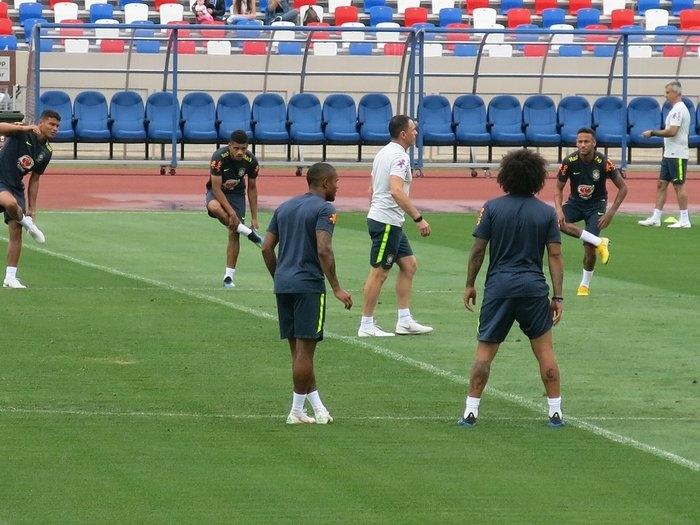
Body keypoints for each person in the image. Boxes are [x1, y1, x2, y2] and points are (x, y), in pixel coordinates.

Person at [459, 149, 565, 429]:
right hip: (533, 287)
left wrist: (470, 284)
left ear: (505, 176)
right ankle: (555, 412)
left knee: (484, 353)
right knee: (544, 352)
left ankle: (471, 411)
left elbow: (478, 249)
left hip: (499, 288)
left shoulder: (492, 208)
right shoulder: (546, 213)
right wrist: (558, 295)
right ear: (537, 178)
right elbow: (555, 255)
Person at [261, 162, 353, 425]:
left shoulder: (285, 207)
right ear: (324, 183)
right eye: (336, 181)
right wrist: (336, 287)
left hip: (284, 285)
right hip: (308, 286)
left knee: (298, 353)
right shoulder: (325, 209)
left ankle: (316, 409)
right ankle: (295, 411)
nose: (338, 186)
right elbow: (324, 249)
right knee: (306, 353)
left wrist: (279, 276)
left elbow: (266, 248)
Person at [357, 115, 433, 337]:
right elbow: (396, 190)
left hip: (389, 221)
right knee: (379, 273)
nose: (416, 133)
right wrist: (419, 218)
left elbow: (371, 189)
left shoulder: (383, 153)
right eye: (413, 129)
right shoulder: (400, 157)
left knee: (409, 265)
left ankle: (405, 320)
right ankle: (366, 324)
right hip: (386, 222)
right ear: (403, 134)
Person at [554, 127, 628, 296]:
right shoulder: (569, 162)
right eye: (579, 142)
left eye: (586, 141)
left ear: (594, 143)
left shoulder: (604, 163)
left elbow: (623, 188)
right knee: (555, 221)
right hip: (575, 203)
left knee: (588, 247)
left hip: (597, 206)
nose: (582, 145)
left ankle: (584, 285)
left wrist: (610, 213)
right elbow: (558, 188)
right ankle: (599, 241)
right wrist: (558, 209)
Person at [0, 110, 60, 289]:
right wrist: (24, 126)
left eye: (57, 126)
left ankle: (10, 277)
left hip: (15, 186)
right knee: (10, 204)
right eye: (51, 124)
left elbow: (35, 179)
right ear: (40, 123)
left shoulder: (47, 151)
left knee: (15, 232)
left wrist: (33, 208)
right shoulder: (23, 132)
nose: (55, 128)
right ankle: (26, 222)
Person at [205, 129, 263, 288]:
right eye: (236, 148)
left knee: (233, 233)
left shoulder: (251, 162)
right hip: (218, 192)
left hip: (237, 193)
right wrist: (231, 213)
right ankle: (250, 234)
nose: (240, 152)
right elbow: (216, 189)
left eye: (243, 149)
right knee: (215, 207)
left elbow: (252, 188)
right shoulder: (218, 158)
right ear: (229, 145)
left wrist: (255, 217)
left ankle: (228, 277)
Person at [639, 81, 692, 229]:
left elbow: (672, 131)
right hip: (669, 153)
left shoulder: (679, 110)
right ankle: (656, 217)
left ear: (677, 93)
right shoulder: (674, 109)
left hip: (678, 154)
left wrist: (653, 132)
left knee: (678, 185)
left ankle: (684, 218)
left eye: (668, 92)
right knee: (661, 184)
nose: (666, 95)